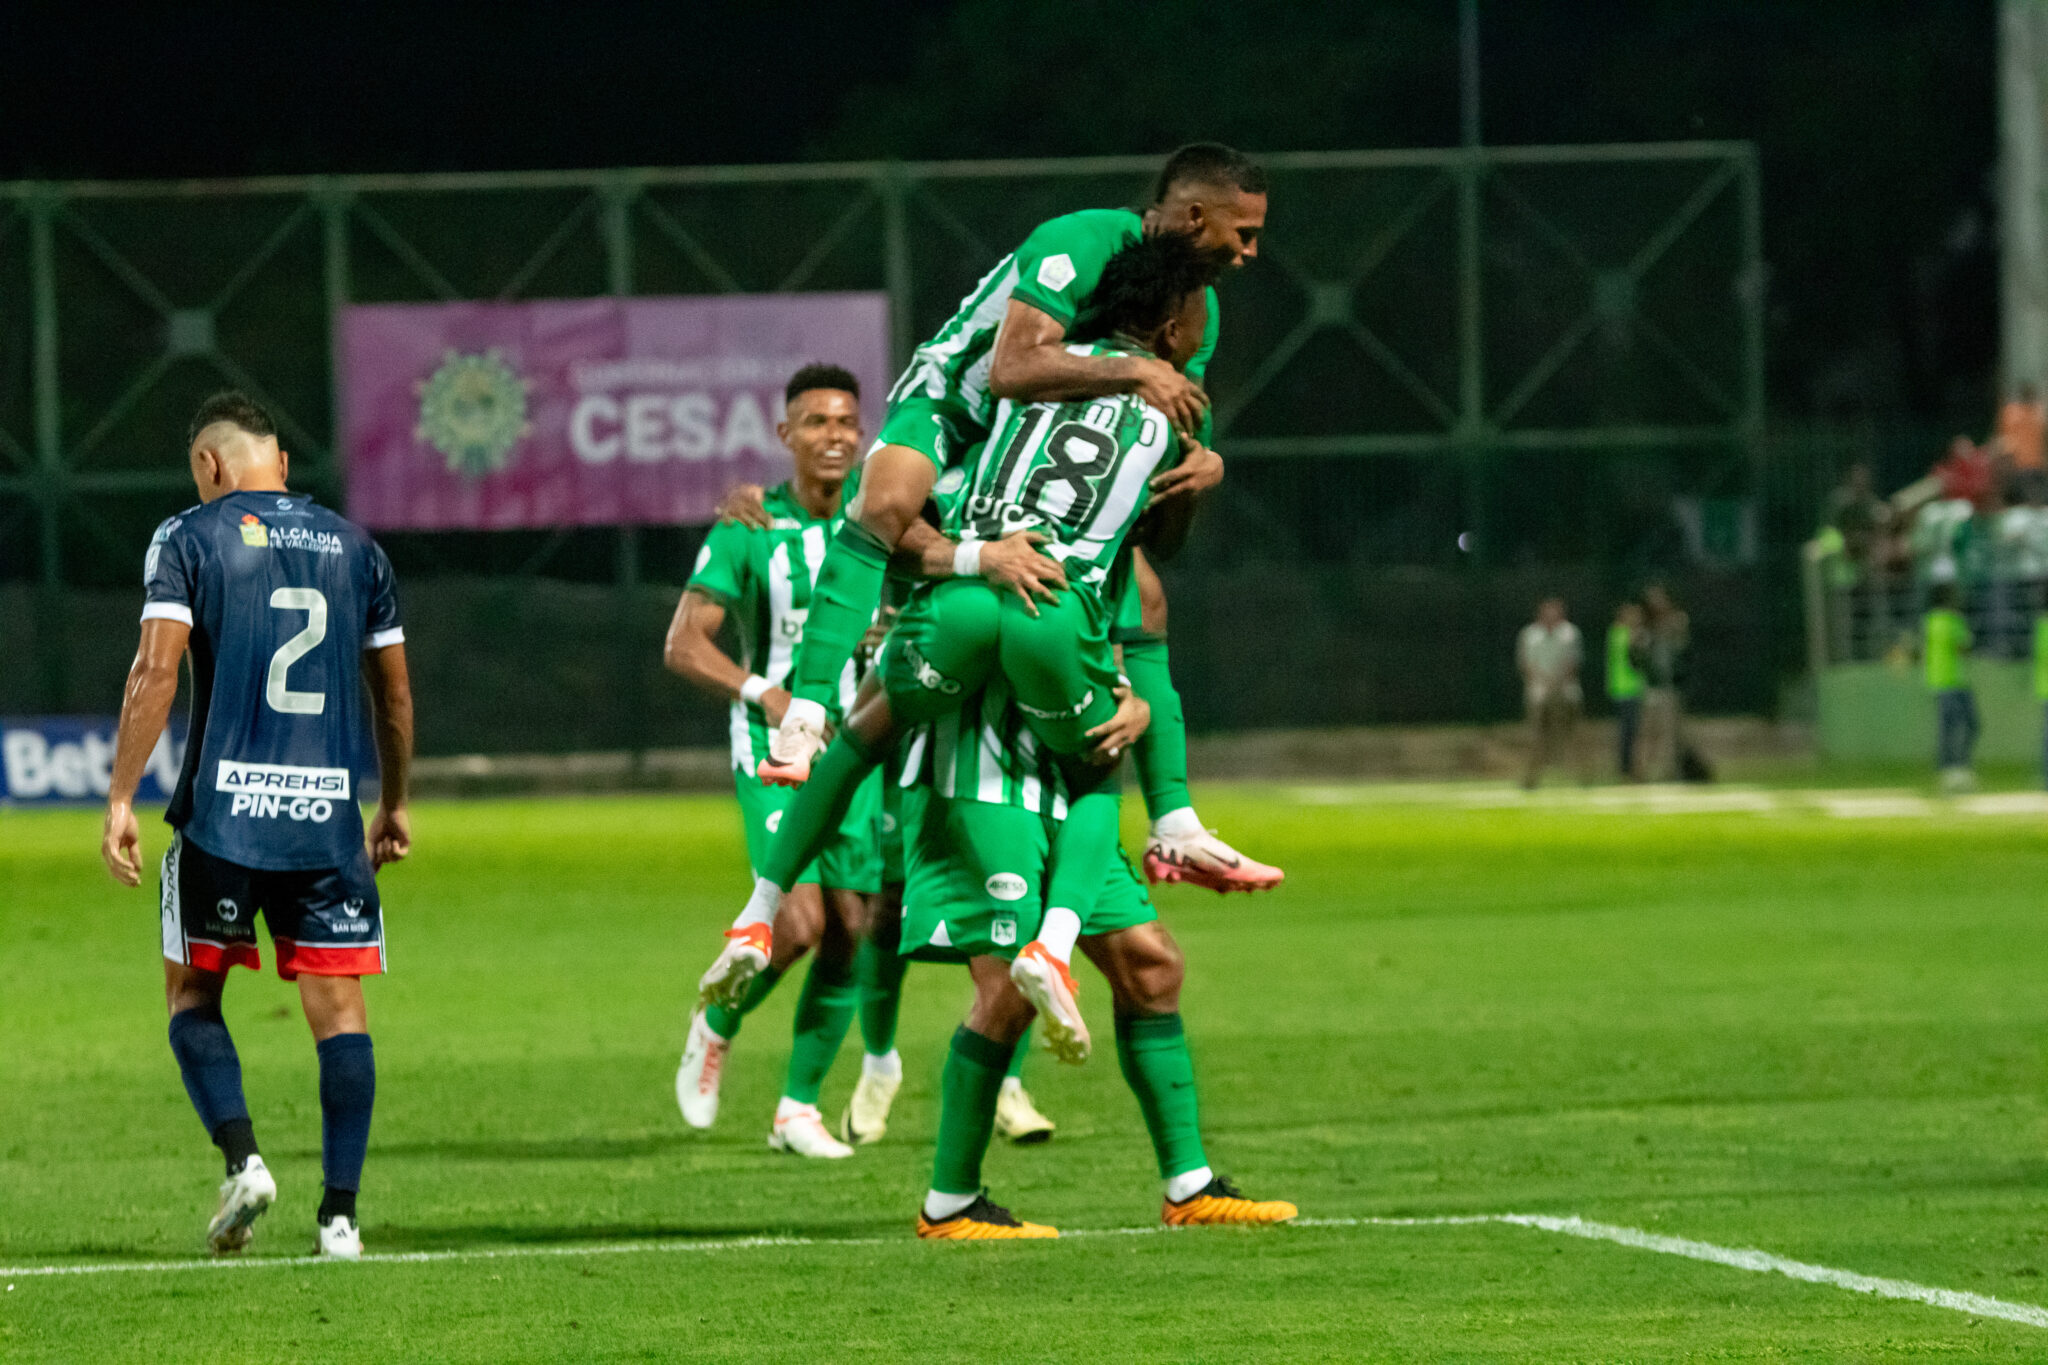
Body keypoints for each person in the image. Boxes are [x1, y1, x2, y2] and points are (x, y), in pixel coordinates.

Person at [698, 231, 1224, 1065]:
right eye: (1202, 311)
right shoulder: (1164, 414)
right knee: (1099, 764)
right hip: (1042, 631)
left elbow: (894, 523)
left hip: (956, 617)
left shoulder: (1019, 393)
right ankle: (1106, 890)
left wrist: (972, 553)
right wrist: (1205, 467)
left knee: (859, 737)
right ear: (1166, 328)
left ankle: (760, 905)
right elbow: (1145, 551)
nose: (1211, 326)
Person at [760, 142, 1278, 890]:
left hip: (1039, 460)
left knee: (1150, 598)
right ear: (1196, 217)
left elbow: (1183, 419)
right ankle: (807, 716)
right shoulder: (1083, 238)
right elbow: (1010, 370)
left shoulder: (1200, 307)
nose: (1250, 252)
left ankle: (1176, 823)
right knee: (886, 507)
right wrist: (1133, 369)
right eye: (1243, 233)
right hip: (961, 407)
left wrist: (1207, 463)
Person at [99, 391, 412, 1260]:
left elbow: (154, 670)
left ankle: (244, 1161)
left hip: (222, 820)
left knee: (192, 994)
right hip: (326, 823)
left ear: (209, 465)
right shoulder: (356, 546)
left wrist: (122, 796)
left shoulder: (188, 537)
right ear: (280, 462)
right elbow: (392, 692)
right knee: (341, 1008)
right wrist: (394, 802)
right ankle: (341, 1218)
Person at [900, 675, 1297, 1239]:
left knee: (1151, 966)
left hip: (1078, 798)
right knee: (1008, 993)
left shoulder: (1125, 585)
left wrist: (1170, 811)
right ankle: (950, 1202)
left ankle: (1190, 1187)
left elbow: (1137, 665)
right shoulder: (1000, 591)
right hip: (990, 795)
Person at [661, 364, 887, 1159]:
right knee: (797, 919)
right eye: (817, 422)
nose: (835, 435)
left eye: (847, 422)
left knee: (854, 927)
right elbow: (683, 642)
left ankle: (796, 1108)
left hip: (863, 743)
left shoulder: (886, 516)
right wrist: (766, 693)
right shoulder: (750, 526)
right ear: (786, 436)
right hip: (774, 743)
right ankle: (716, 1021)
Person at [1516, 597, 1583, 789]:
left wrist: (1557, 682)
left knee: (1570, 735)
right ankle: (1531, 778)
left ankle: (1576, 777)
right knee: (1536, 737)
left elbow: (1573, 663)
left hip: (1566, 693)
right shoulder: (1529, 635)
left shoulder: (1570, 634)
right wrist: (1545, 682)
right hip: (1538, 693)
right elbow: (1526, 664)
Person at [1924, 582, 1978, 793]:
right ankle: (1959, 768)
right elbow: (1964, 647)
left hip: (1938, 681)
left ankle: (1948, 770)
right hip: (1955, 680)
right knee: (1969, 725)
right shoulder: (1953, 621)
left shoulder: (1929, 621)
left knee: (1948, 728)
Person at [1638, 585, 1690, 782]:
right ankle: (1644, 772)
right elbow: (1638, 656)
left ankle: (1670, 773)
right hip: (1651, 686)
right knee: (1648, 732)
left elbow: (1682, 648)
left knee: (1670, 733)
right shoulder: (1645, 627)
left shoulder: (1677, 621)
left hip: (1670, 685)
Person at [1607, 601, 1647, 780]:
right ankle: (1626, 770)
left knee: (1634, 732)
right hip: (1624, 689)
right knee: (1627, 732)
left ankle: (1633, 768)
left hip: (1636, 689)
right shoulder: (1618, 633)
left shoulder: (1632, 633)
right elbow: (1632, 652)